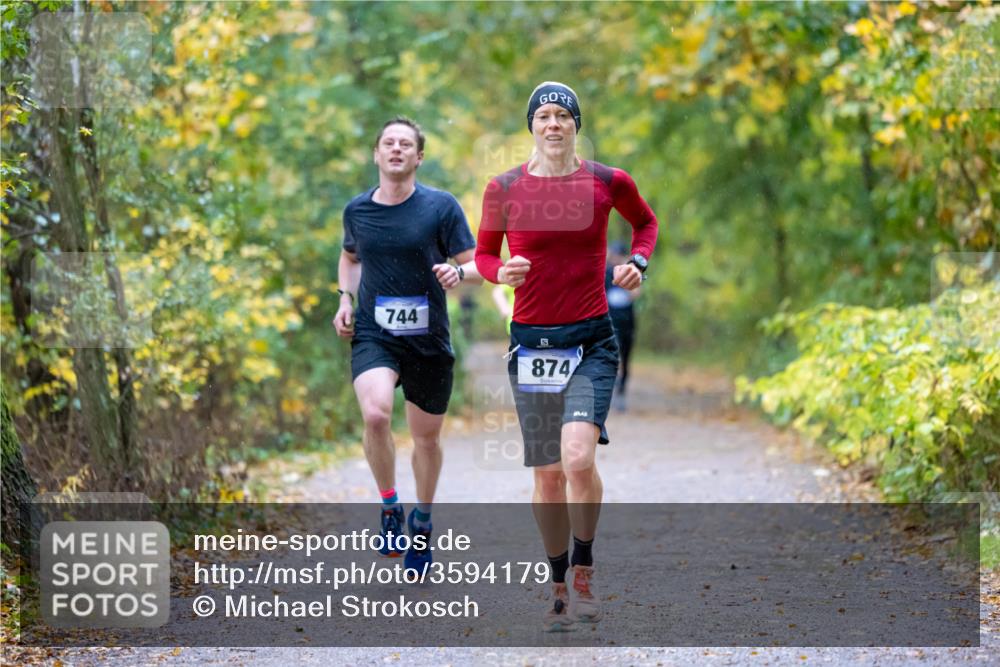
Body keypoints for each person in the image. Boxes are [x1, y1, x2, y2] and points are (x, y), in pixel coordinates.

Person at [475, 82, 658, 630]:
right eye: (544, 116)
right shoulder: (503, 187)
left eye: (563, 115)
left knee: (579, 459)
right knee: (550, 475)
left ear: (576, 124)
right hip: (531, 343)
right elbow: (485, 254)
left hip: (591, 343)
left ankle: (583, 569)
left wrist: (639, 265)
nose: (553, 124)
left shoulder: (607, 181)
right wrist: (497, 272)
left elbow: (644, 224)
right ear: (530, 125)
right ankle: (556, 579)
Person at [333, 116, 481, 573]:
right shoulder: (358, 211)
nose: (396, 150)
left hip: (429, 340)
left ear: (418, 157)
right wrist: (345, 298)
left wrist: (458, 273)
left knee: (426, 439)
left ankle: (423, 521)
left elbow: (478, 264)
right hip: (376, 334)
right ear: (376, 154)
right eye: (388, 143)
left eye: (406, 144)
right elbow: (350, 255)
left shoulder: (441, 207)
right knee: (376, 412)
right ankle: (390, 506)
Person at [605, 241, 641, 412]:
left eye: (619, 256)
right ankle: (612, 389)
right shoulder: (605, 274)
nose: (615, 259)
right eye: (614, 255)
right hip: (610, 323)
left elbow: (635, 294)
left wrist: (627, 273)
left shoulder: (630, 274)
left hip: (627, 322)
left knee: (626, 357)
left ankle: (622, 390)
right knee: (614, 354)